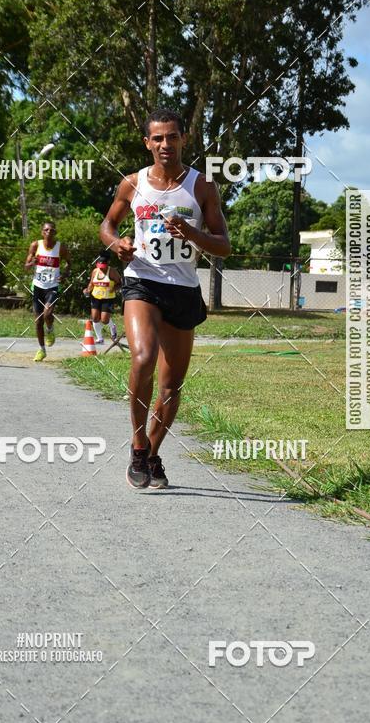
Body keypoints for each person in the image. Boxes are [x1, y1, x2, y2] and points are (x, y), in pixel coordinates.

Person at [100, 108, 230, 489]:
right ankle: (139, 445)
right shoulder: (133, 183)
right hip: (143, 280)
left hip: (183, 290)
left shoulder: (202, 187)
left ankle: (153, 454)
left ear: (183, 139)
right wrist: (117, 243)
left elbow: (224, 245)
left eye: (172, 137)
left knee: (172, 386)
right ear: (147, 143)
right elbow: (107, 225)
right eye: (157, 138)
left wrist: (191, 232)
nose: (165, 144)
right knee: (142, 357)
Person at [24, 222, 71, 361]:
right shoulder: (35, 245)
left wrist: (65, 274)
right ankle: (41, 349)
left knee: (48, 313)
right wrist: (32, 263)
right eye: (46, 230)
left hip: (53, 286)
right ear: (42, 232)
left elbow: (69, 262)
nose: (49, 232)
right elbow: (26, 266)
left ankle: (50, 329)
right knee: (38, 321)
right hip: (38, 286)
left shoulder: (60, 247)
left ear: (55, 232)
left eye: (51, 230)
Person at [83, 251, 121, 343]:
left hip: (108, 298)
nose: (101, 269)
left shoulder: (112, 272)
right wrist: (87, 290)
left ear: (107, 264)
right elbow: (91, 283)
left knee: (104, 320)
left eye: (103, 267)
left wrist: (113, 289)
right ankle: (100, 339)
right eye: (99, 266)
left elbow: (120, 284)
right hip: (95, 297)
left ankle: (113, 327)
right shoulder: (95, 271)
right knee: (95, 318)